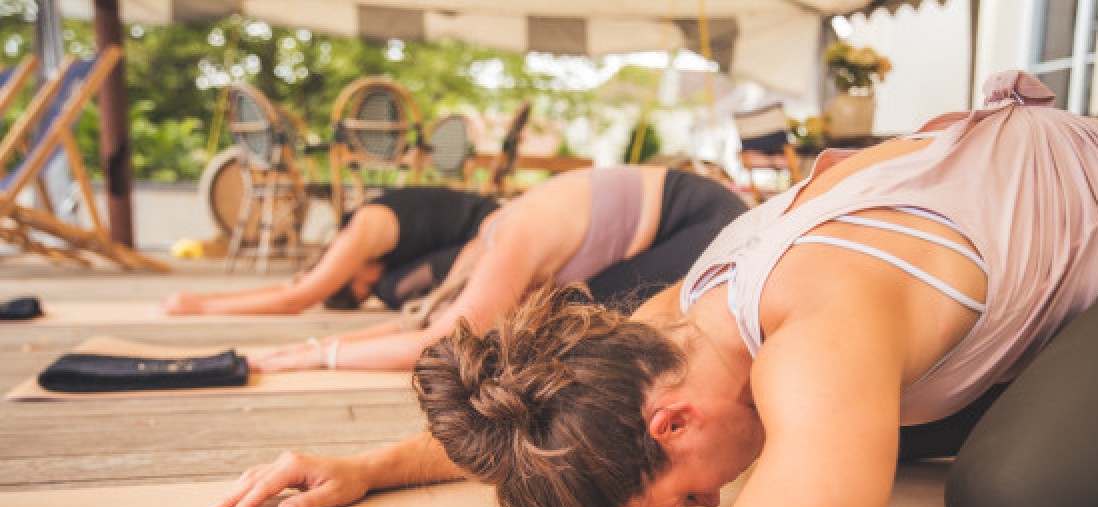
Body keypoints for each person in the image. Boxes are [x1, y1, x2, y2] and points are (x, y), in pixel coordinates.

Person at [189, 72, 1098, 507]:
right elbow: (551, 414)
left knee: (1026, 505)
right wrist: (375, 465)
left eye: (678, 502)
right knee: (916, 444)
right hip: (1060, 243)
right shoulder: (681, 321)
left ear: (671, 424)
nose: (715, 499)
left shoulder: (818, 326)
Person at [196, 165, 749, 373]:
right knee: (537, 326)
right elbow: (424, 321)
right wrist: (327, 342)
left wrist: (316, 356)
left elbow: (442, 336)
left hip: (705, 218)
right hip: (673, 216)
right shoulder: (489, 242)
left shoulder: (510, 239)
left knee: (576, 331)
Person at [160, 186, 500, 316]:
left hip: (496, 230)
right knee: (392, 291)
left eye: (360, 288)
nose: (370, 292)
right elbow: (297, 285)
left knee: (392, 290)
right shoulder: (363, 242)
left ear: (342, 272)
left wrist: (203, 306)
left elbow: (296, 298)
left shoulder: (359, 235)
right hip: (476, 237)